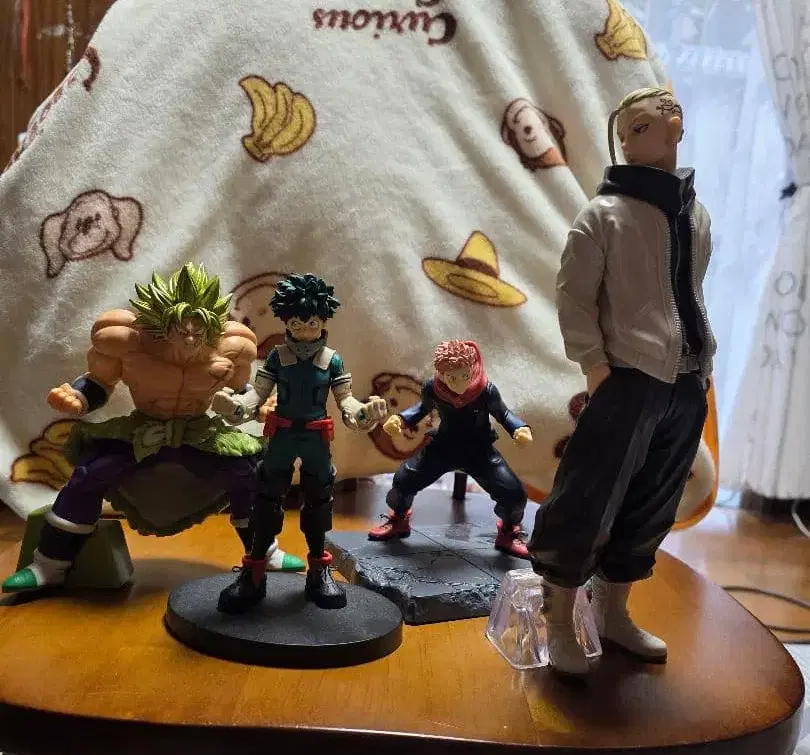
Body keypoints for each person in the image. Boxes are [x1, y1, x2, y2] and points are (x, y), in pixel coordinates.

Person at [0, 0, 716, 542]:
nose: (305, 328)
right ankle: (120, 552)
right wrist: (122, 395)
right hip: (235, 441)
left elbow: (392, 403)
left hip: (359, 447)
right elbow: (235, 392)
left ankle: (308, 550)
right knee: (208, 479)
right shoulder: (214, 349)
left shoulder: (356, 368)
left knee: (331, 491)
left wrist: (374, 414)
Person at [527, 86, 714, 679]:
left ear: (674, 127)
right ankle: (559, 617)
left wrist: (700, 366)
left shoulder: (695, 213)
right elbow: (573, 295)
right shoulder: (603, 214)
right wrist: (595, 365)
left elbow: (692, 290)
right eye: (625, 132)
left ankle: (613, 611)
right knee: (588, 495)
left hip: (685, 378)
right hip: (629, 375)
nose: (629, 142)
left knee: (655, 498)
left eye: (640, 128)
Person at [2, 262, 303, 596]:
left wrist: (260, 406)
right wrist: (77, 398)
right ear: (159, 321)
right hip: (142, 431)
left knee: (247, 473)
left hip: (198, 434)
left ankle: (265, 553)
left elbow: (241, 393)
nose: (190, 338)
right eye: (180, 328)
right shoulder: (127, 341)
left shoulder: (232, 346)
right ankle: (49, 565)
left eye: (198, 328)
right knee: (89, 473)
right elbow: (99, 383)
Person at [213, 274, 387, 612]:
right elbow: (257, 396)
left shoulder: (332, 360)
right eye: (296, 323)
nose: (305, 330)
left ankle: (319, 571)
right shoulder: (277, 357)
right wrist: (235, 407)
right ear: (286, 322)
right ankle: (254, 572)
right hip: (282, 436)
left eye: (311, 323)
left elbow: (346, 401)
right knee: (266, 499)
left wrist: (364, 412)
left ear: (323, 321)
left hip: (315, 437)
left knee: (319, 501)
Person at [369, 340, 533, 558]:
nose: (460, 384)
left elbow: (503, 414)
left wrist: (519, 428)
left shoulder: (486, 390)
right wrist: (400, 420)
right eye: (452, 378)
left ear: (473, 369)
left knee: (514, 493)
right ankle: (398, 520)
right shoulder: (434, 389)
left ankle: (508, 531)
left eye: (465, 375)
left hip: (479, 450)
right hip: (443, 447)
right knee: (403, 480)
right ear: (441, 373)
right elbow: (421, 409)